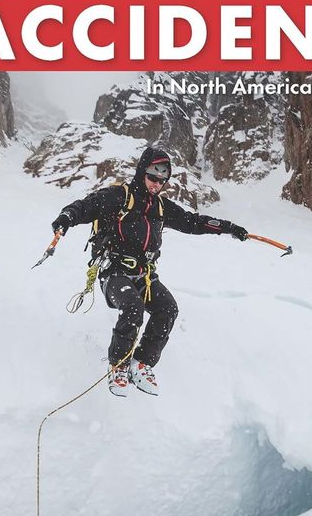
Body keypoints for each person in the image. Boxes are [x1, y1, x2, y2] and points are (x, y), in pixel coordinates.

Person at [51, 146, 248, 397]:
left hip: (144, 275)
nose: (156, 185)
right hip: (114, 273)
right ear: (141, 172)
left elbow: (192, 222)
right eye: (152, 178)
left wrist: (229, 227)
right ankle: (118, 366)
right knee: (132, 306)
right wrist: (66, 218)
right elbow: (86, 206)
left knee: (167, 309)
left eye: (161, 181)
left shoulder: (161, 207)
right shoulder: (119, 196)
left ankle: (141, 363)